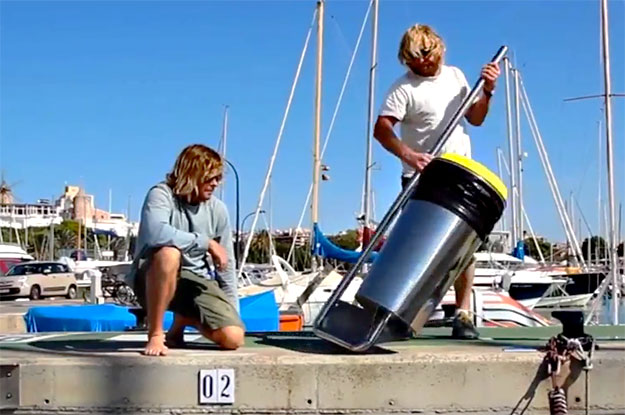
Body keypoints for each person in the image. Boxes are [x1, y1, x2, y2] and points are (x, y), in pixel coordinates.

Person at [373, 24, 500, 339]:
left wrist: (487, 90)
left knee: (463, 249)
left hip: (459, 173)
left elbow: (477, 118)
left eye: (428, 57)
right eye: (416, 60)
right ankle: (401, 313)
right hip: (422, 176)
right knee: (414, 249)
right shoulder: (403, 88)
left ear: (439, 50)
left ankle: (463, 313)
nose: (424, 64)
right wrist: (409, 154)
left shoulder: (455, 76)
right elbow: (382, 129)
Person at [130, 144, 245, 356]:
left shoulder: (218, 210)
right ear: (192, 174)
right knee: (168, 253)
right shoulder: (160, 195)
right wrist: (207, 243)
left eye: (218, 178)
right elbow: (156, 232)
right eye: (210, 178)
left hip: (195, 281)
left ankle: (183, 320)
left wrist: (232, 312)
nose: (215, 184)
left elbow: (226, 267)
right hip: (152, 277)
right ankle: (156, 333)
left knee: (233, 338)